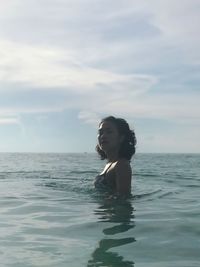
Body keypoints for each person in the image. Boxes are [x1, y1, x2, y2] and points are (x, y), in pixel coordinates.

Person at [95, 116, 136, 198]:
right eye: (101, 132)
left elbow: (124, 199)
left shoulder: (121, 165)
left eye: (109, 132)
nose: (103, 136)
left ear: (121, 138)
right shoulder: (110, 163)